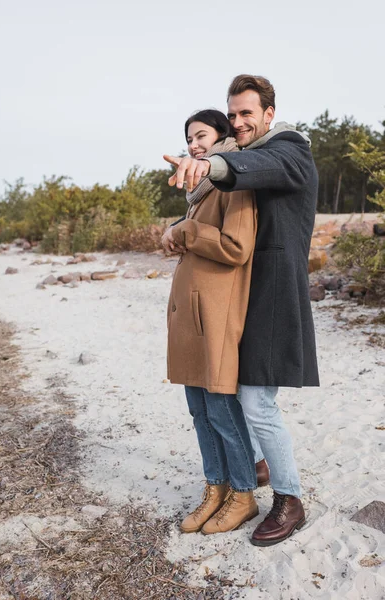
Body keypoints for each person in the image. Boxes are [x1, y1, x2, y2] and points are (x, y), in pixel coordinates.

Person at [163, 74, 319, 547]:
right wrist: (181, 220)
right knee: (228, 394)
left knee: (255, 402)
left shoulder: (291, 148)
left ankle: (290, 500)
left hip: (272, 295)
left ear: (269, 114)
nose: (238, 122)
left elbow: (251, 169)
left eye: (247, 113)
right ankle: (249, 469)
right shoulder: (247, 154)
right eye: (232, 115)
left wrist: (210, 164)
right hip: (244, 296)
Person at [166, 109, 260, 535]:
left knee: (222, 408)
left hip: (217, 315)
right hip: (191, 318)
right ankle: (216, 487)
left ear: (222, 136)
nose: (193, 145)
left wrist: (185, 231)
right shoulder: (200, 193)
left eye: (201, 135)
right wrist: (179, 230)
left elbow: (237, 247)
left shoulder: (234, 182)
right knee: (199, 411)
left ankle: (244, 494)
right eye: (188, 139)